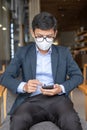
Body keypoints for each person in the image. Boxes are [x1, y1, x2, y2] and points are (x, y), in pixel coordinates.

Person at [0, 12, 83, 130]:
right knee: (18, 121)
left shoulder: (63, 53)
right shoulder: (23, 52)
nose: (44, 40)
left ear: (55, 33)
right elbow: (5, 77)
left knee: (71, 121)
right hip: (31, 100)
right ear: (33, 33)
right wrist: (24, 86)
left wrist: (61, 88)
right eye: (39, 36)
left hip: (58, 100)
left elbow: (78, 76)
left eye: (49, 36)